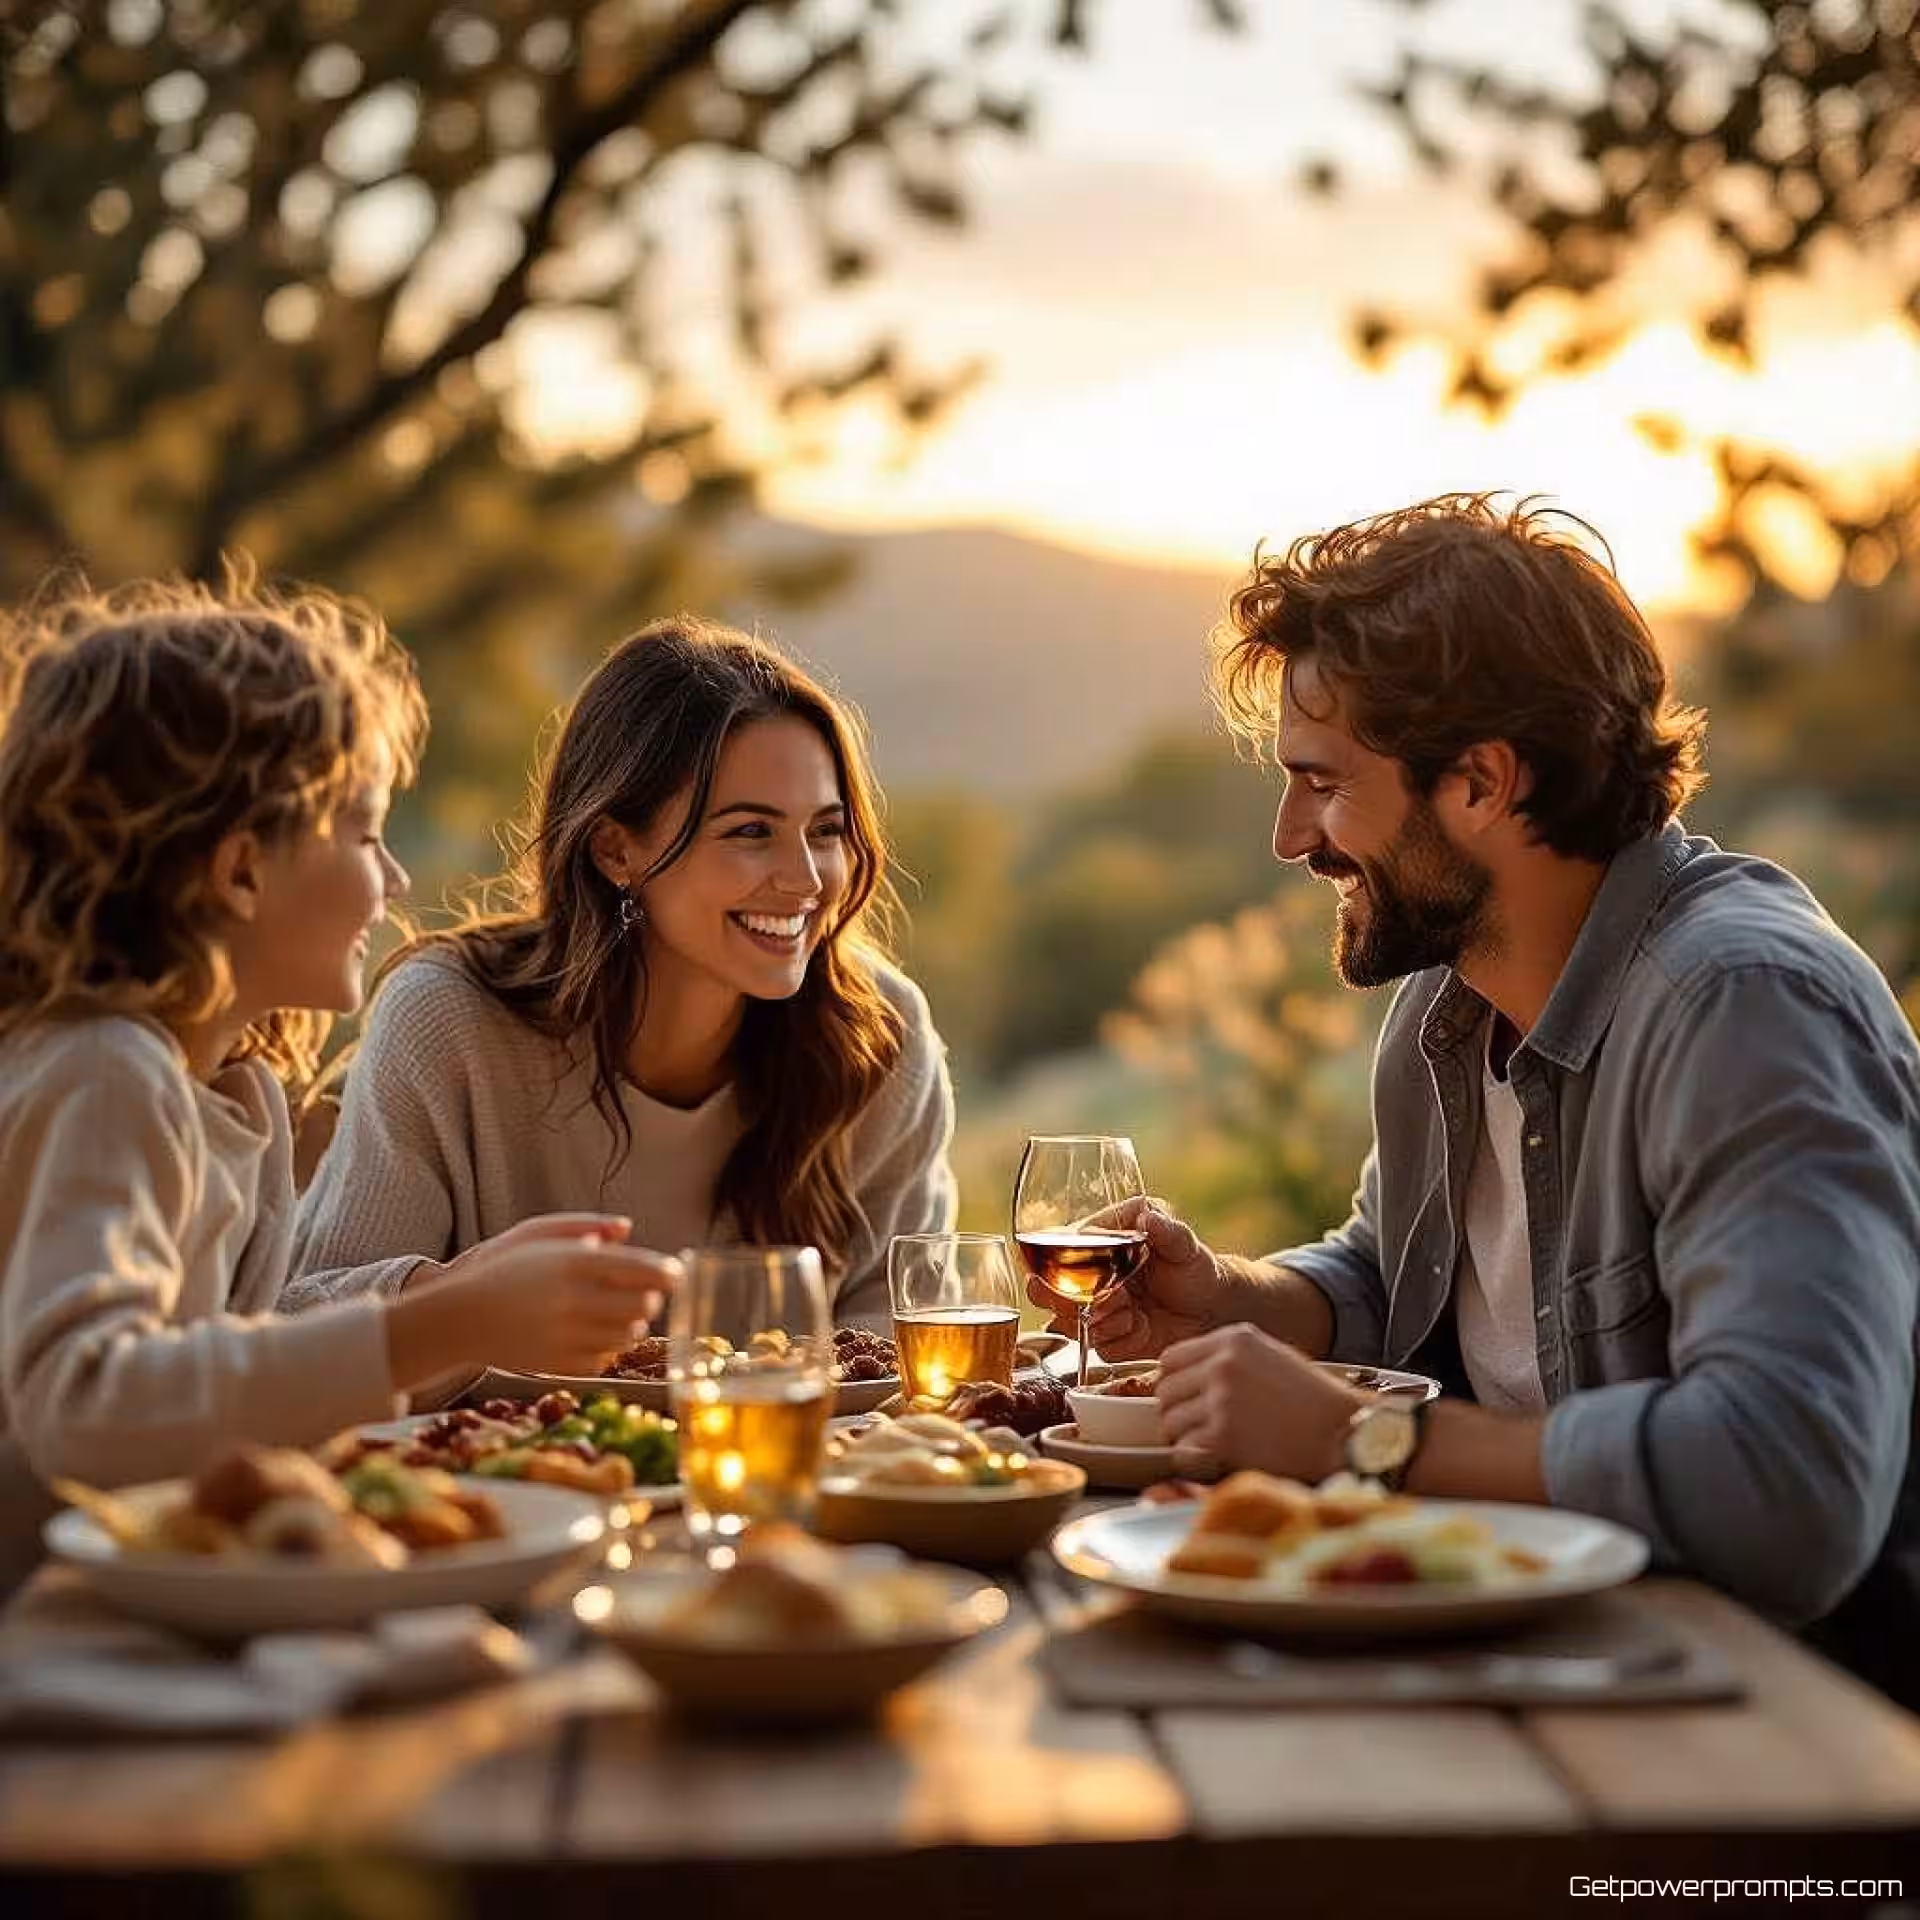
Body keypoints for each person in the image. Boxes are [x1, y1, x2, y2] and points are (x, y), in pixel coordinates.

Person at [1043, 494, 1920, 1703]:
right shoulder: (1449, 1008)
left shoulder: (1744, 1008)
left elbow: (1790, 1488)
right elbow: (1398, 1272)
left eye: (1324, 782)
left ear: (1483, 783)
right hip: (1523, 1654)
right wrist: (1241, 1300)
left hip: (1782, 1724)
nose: (1291, 836)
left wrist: (1363, 1441)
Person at [0, 574, 675, 1591]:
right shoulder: (105, 1074)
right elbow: (84, 1405)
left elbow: (227, 1377)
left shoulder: (229, 1086)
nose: (394, 881)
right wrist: (442, 1325)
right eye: (363, 834)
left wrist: (463, 1289)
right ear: (239, 873)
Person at [289, 615, 956, 1329]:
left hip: (796, 1444)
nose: (805, 880)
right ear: (614, 851)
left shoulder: (875, 1036)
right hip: (484, 1443)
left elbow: (911, 1339)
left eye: (825, 831)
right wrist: (471, 1296)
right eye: (750, 832)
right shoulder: (449, 1023)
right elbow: (308, 1321)